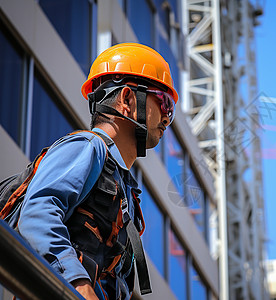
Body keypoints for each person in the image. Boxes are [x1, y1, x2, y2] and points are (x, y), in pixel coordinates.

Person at [8, 43, 178, 300]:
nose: (167, 118)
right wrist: (79, 287)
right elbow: (37, 215)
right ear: (127, 99)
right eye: (164, 103)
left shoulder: (124, 188)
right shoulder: (87, 148)